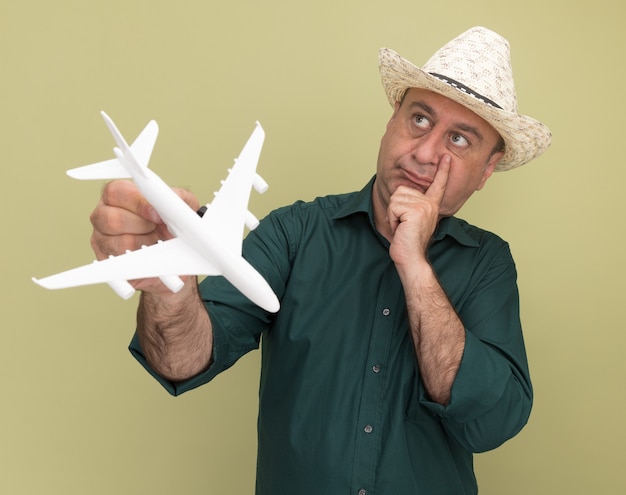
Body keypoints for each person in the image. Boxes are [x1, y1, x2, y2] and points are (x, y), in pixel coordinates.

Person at [90, 26, 551, 495]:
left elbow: (493, 423)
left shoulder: (488, 264)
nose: (425, 152)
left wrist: (414, 265)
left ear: (486, 170)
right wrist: (168, 283)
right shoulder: (296, 233)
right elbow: (181, 361)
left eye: (459, 140)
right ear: (393, 118)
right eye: (419, 119)